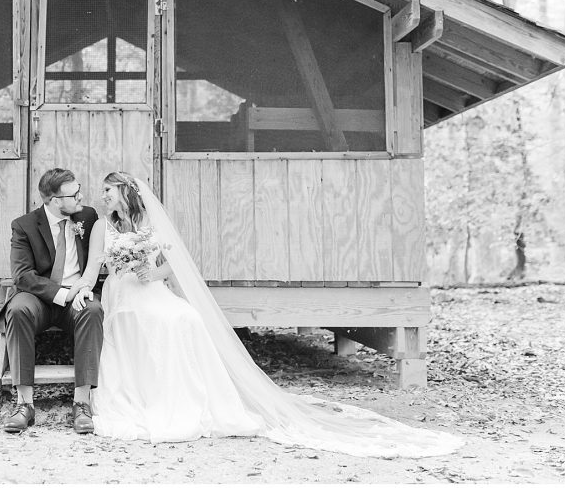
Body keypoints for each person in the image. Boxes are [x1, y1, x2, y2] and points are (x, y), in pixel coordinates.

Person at [72, 171, 464, 457]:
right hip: (122, 295)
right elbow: (92, 270)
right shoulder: (102, 228)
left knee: (184, 317)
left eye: (108, 191)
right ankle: (145, 396)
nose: (103, 196)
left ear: (124, 192)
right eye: (103, 192)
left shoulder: (151, 224)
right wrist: (83, 290)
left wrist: (151, 271)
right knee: (144, 320)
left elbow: (173, 264)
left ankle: (189, 399)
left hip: (151, 288)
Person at [0, 168, 103, 434]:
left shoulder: (87, 217)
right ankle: (24, 405)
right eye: (74, 194)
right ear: (55, 201)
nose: (81, 197)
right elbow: (22, 276)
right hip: (39, 299)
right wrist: (63, 293)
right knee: (18, 309)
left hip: (77, 299)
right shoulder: (24, 225)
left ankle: (81, 403)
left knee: (93, 309)